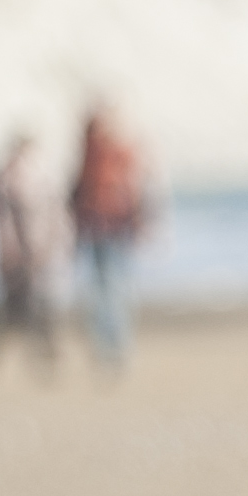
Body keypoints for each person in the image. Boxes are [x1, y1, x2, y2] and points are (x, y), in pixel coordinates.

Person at [69, 99, 155, 372]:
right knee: (104, 287)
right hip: (99, 226)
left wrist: (141, 221)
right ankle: (109, 345)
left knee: (113, 286)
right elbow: (79, 191)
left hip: (115, 226)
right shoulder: (92, 152)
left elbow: (136, 189)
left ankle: (115, 345)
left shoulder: (120, 151)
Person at [0, 128, 67, 371]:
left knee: (43, 302)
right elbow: (0, 222)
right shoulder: (4, 181)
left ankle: (46, 354)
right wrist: (6, 249)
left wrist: (54, 244)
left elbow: (56, 216)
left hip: (43, 250)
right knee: (15, 304)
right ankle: (1, 352)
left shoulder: (46, 179)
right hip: (16, 254)